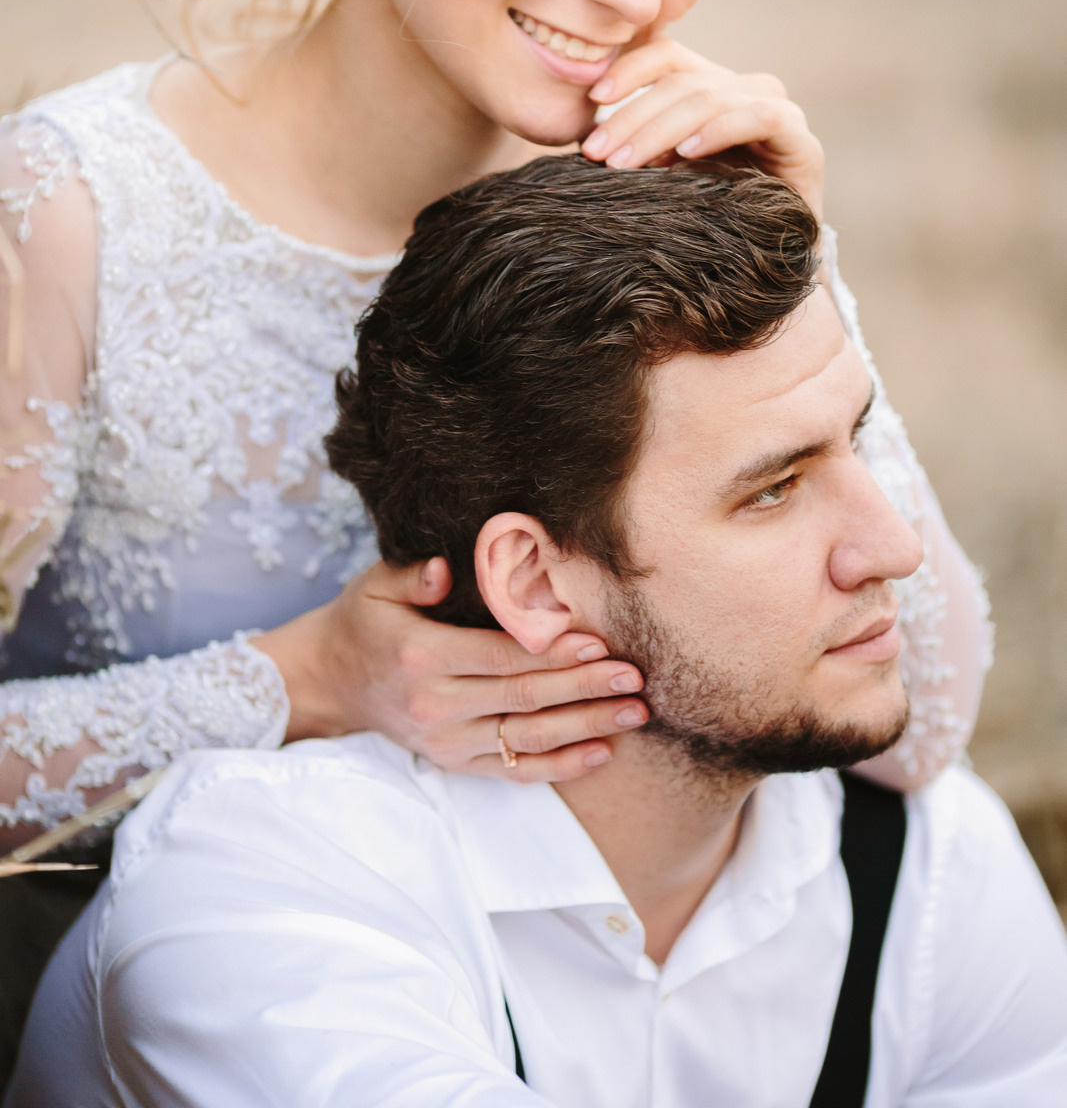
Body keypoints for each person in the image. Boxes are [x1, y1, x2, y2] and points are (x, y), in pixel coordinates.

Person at [0, 0, 987, 1049]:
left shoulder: (627, 216)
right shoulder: (73, 216)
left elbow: (915, 734)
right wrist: (299, 678)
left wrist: (797, 263)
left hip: (538, 997)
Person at [12, 156, 1063, 1108]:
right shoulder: (258, 888)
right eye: (774, 490)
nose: (891, 546)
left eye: (857, 444)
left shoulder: (926, 863)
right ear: (537, 581)